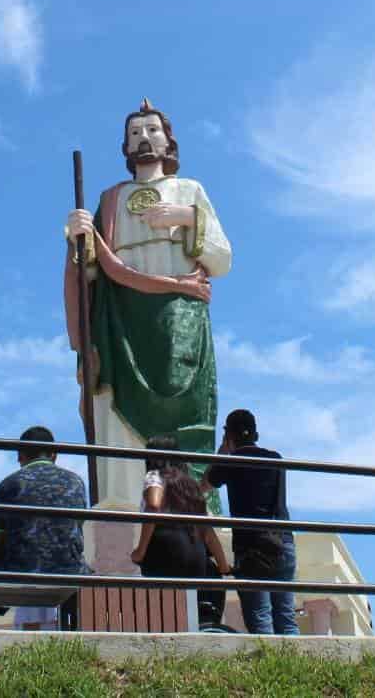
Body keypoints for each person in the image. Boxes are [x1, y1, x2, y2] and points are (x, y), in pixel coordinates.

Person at [63, 99, 233, 509]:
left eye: (152, 130)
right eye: (135, 133)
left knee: (184, 413)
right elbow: (89, 271)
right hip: (121, 318)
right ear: (124, 146)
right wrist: (78, 239)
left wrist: (189, 217)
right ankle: (120, 503)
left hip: (179, 317)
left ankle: (190, 507)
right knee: (114, 406)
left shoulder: (190, 191)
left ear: (168, 140)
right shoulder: (110, 199)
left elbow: (221, 260)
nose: (144, 138)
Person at [0, 426, 89, 631]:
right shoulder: (76, 482)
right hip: (70, 569)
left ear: (20, 455)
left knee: (1, 553)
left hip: (22, 570)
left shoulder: (8, 484)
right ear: (54, 454)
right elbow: (77, 528)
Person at [204, 409, 298, 635]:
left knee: (260, 619)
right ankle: (295, 665)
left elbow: (202, 488)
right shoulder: (276, 459)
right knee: (286, 619)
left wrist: (221, 455)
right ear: (255, 434)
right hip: (282, 542)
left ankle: (270, 667)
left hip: (251, 548)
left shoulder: (230, 463)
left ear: (229, 436)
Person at [132, 434, 231, 626]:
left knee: (162, 612)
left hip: (166, 553)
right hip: (195, 556)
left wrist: (140, 551)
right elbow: (207, 532)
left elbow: (153, 505)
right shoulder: (190, 485)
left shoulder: (154, 475)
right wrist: (223, 565)